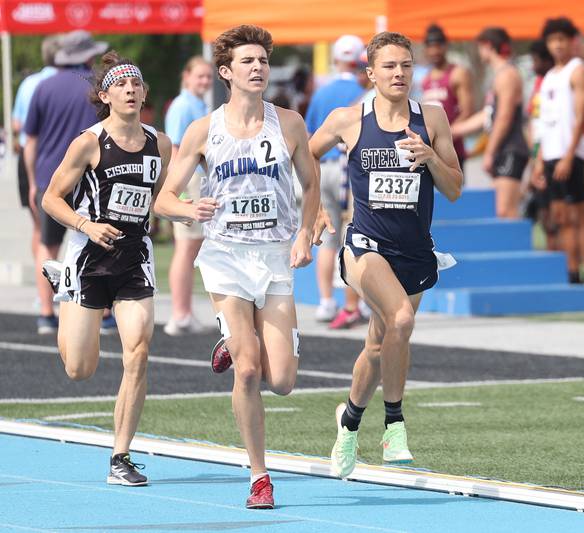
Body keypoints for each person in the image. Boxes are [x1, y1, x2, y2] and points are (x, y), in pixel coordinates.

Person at [153, 24, 321, 509]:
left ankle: (248, 339)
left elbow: (311, 187)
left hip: (273, 257)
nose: (258, 68)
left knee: (283, 382)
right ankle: (259, 476)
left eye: (263, 61)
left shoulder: (288, 123)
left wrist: (306, 234)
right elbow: (164, 197)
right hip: (225, 257)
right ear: (226, 72)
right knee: (247, 372)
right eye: (248, 61)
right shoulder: (203, 130)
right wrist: (188, 210)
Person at [308, 31, 462, 479]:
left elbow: (453, 189)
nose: (399, 74)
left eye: (406, 65)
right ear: (370, 73)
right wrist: (317, 205)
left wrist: (431, 157)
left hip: (414, 252)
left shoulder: (431, 118)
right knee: (402, 321)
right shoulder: (347, 119)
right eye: (390, 66)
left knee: (377, 346)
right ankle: (394, 424)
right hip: (365, 246)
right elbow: (305, 155)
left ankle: (349, 424)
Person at [40, 52, 171, 486]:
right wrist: (87, 225)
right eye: (121, 85)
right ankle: (64, 280)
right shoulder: (89, 142)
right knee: (80, 368)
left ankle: (120, 456)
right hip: (89, 256)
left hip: (134, 257)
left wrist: (182, 212)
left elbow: (157, 197)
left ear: (145, 93)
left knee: (138, 351)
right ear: (105, 95)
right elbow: (51, 199)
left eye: (137, 84)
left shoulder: (160, 144)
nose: (131, 90)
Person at [24, 31, 112, 334]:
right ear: (88, 56)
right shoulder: (98, 88)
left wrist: (35, 182)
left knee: (47, 247)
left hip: (51, 176)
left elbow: (30, 142)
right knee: (98, 242)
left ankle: (47, 313)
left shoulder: (42, 86)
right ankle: (101, 313)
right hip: (92, 176)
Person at [305, 35, 368, 326]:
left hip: (324, 166)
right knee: (355, 237)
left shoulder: (322, 93)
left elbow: (310, 136)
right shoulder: (363, 91)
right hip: (350, 169)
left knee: (328, 237)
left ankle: (326, 301)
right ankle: (356, 302)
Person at [533, 17, 584, 284]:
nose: (557, 45)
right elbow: (544, 123)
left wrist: (570, 156)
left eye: (562, 39)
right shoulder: (548, 77)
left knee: (579, 216)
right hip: (551, 154)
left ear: (572, 42)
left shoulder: (577, 70)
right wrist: (539, 161)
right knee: (560, 217)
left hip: (572, 154)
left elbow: (582, 117)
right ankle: (570, 271)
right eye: (552, 40)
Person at [452, 27, 527, 218]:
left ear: (487, 46)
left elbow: (504, 117)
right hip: (503, 148)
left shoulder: (507, 75)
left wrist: (490, 152)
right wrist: (452, 130)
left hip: (511, 148)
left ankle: (517, 248)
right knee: (498, 211)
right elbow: (488, 115)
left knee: (506, 211)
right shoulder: (498, 76)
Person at [163, 56, 213, 336]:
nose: (204, 81)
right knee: (186, 247)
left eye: (208, 77)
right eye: (199, 76)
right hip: (189, 180)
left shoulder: (198, 104)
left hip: (198, 179)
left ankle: (185, 311)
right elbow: (175, 149)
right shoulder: (182, 106)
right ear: (186, 76)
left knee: (193, 247)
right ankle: (179, 313)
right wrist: (177, 191)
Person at [12, 35, 61, 287]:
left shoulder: (30, 83)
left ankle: (42, 292)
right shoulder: (70, 82)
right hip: (57, 159)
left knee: (40, 231)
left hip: (31, 160)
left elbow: (17, 124)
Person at [420, 24, 473, 169]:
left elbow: (467, 112)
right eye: (430, 47)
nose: (434, 51)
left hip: (453, 151)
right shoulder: (425, 79)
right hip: (430, 152)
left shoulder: (457, 73)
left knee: (453, 191)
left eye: (438, 46)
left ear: (445, 46)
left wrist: (446, 136)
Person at [526, 39, 558, 251]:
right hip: (538, 156)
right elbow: (532, 123)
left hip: (552, 155)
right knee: (543, 212)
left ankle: (565, 265)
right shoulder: (537, 85)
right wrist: (534, 157)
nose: (533, 65)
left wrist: (540, 158)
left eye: (536, 60)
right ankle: (551, 256)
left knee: (556, 214)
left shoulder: (555, 83)